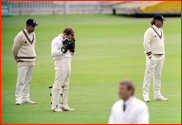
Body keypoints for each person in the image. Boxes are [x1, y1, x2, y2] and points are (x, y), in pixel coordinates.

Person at [12, 19, 38, 105]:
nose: (34, 28)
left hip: (32, 61)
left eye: (34, 26)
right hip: (22, 60)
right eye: (32, 26)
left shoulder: (34, 34)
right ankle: (18, 98)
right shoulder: (20, 35)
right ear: (27, 26)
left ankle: (26, 97)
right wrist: (17, 58)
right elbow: (14, 49)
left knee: (28, 81)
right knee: (21, 81)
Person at [143, 14, 168, 102]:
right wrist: (150, 55)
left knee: (158, 75)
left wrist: (163, 54)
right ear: (156, 21)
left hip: (161, 56)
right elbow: (146, 43)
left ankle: (157, 94)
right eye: (161, 21)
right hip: (152, 56)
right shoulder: (150, 31)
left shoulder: (161, 30)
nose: (162, 23)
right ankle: (145, 95)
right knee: (148, 75)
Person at [51, 28, 76, 112]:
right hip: (60, 62)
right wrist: (63, 49)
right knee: (58, 82)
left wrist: (72, 49)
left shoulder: (67, 40)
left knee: (66, 83)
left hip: (68, 61)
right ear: (64, 34)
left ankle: (64, 105)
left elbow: (71, 53)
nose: (69, 39)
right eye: (68, 37)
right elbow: (53, 53)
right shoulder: (56, 40)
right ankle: (54, 106)